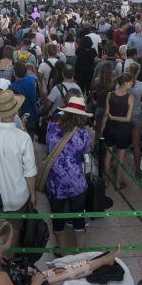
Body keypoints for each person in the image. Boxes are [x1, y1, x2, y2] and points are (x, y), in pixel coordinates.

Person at [0, 90, 37, 243]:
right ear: (16, 110)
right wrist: (33, 195)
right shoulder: (24, 138)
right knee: (14, 233)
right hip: (19, 196)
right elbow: (30, 173)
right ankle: (10, 262)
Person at [44, 96, 92, 250]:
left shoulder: (51, 128)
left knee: (57, 217)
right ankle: (80, 250)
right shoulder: (84, 134)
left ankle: (62, 251)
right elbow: (86, 157)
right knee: (78, 217)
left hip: (55, 182)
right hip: (76, 182)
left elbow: (48, 148)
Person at [101, 73, 136, 189]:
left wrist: (102, 129)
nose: (132, 83)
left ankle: (105, 181)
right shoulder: (130, 98)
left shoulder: (109, 95)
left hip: (110, 128)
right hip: (123, 131)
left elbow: (106, 114)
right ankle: (117, 182)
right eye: (131, 82)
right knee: (120, 158)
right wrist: (114, 117)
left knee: (108, 156)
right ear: (125, 83)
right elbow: (127, 118)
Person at [9, 61, 39, 133]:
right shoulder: (32, 80)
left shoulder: (12, 87)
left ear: (14, 73)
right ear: (26, 72)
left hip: (20, 117)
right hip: (32, 114)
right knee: (30, 133)